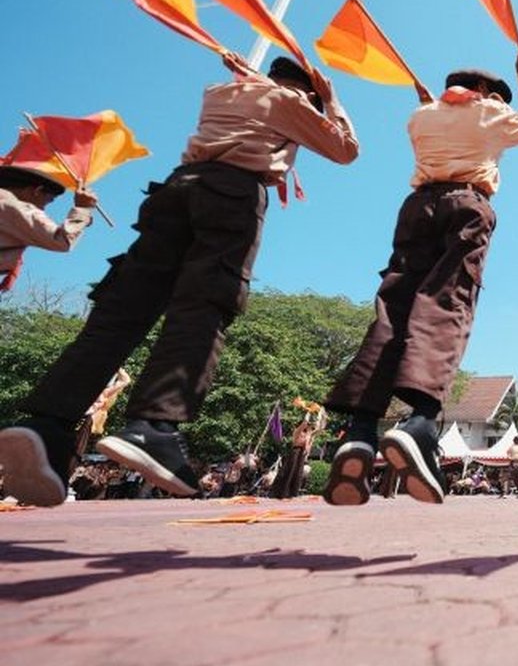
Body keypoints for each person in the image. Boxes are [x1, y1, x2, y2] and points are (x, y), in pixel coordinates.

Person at [0, 53, 359, 507]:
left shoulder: (221, 92)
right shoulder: (290, 100)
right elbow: (345, 149)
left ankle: (46, 424)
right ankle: (154, 425)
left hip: (176, 188)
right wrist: (331, 101)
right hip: (232, 194)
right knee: (205, 303)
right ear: (304, 87)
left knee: (121, 310)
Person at [321, 43, 518, 507]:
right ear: (482, 90)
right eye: (494, 92)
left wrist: (437, 103)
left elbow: (440, 115)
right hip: (466, 204)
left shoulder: (420, 118)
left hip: (416, 207)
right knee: (447, 303)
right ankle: (420, 421)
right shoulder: (488, 113)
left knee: (393, 309)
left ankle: (359, 430)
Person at [0, 165, 97, 294]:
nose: (44, 208)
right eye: (49, 200)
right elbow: (62, 241)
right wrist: (82, 209)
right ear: (37, 191)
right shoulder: (16, 208)